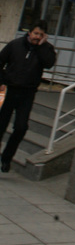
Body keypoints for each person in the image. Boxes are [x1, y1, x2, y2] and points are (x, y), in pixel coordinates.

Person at [0, 22, 56, 172]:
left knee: (21, 127)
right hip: (9, 90)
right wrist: (1, 81)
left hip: (27, 93)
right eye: (35, 33)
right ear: (29, 33)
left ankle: (6, 158)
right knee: (1, 124)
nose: (37, 37)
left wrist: (42, 46)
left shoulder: (46, 49)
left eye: (41, 35)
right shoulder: (15, 45)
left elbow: (49, 63)